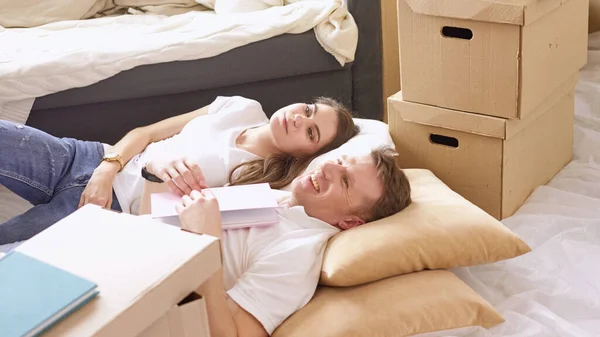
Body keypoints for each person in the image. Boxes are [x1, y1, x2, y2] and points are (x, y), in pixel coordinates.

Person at [0, 95, 359, 244]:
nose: (299, 119)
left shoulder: (265, 180)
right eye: (309, 110)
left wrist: (148, 174)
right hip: (88, 158)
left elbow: (171, 218)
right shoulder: (242, 106)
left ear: (306, 155)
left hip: (105, 210)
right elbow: (147, 133)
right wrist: (105, 170)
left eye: (310, 132)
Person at [170, 146, 412, 337]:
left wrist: (205, 243)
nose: (326, 165)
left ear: (350, 222)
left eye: (346, 181)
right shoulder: (276, 198)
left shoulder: (297, 256)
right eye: (340, 161)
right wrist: (160, 172)